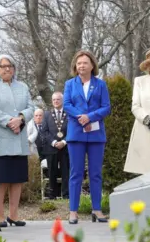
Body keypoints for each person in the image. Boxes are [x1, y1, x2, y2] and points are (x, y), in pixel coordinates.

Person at [0, 54, 34, 227]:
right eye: (3, 66)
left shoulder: (23, 86)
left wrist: (20, 118)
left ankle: (14, 215)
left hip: (18, 137)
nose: (7, 68)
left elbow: (31, 107)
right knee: (0, 178)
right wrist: (9, 121)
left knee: (17, 178)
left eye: (10, 65)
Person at [63, 50, 111, 224]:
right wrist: (82, 117)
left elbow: (106, 107)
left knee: (95, 173)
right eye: (79, 63)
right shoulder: (70, 84)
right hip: (76, 134)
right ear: (75, 66)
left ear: (92, 65)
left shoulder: (100, 85)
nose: (81, 65)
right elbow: (67, 105)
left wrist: (90, 117)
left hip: (96, 135)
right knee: (75, 173)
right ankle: (73, 211)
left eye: (85, 63)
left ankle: (97, 209)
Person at [42, 92, 70, 199]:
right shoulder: (47, 114)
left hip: (65, 148)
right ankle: (52, 195)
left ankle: (66, 194)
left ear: (62, 100)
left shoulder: (68, 114)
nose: (55, 101)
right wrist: (54, 142)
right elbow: (44, 132)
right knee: (52, 171)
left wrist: (64, 142)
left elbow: (72, 130)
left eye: (58, 99)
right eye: (54, 100)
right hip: (51, 148)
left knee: (66, 171)